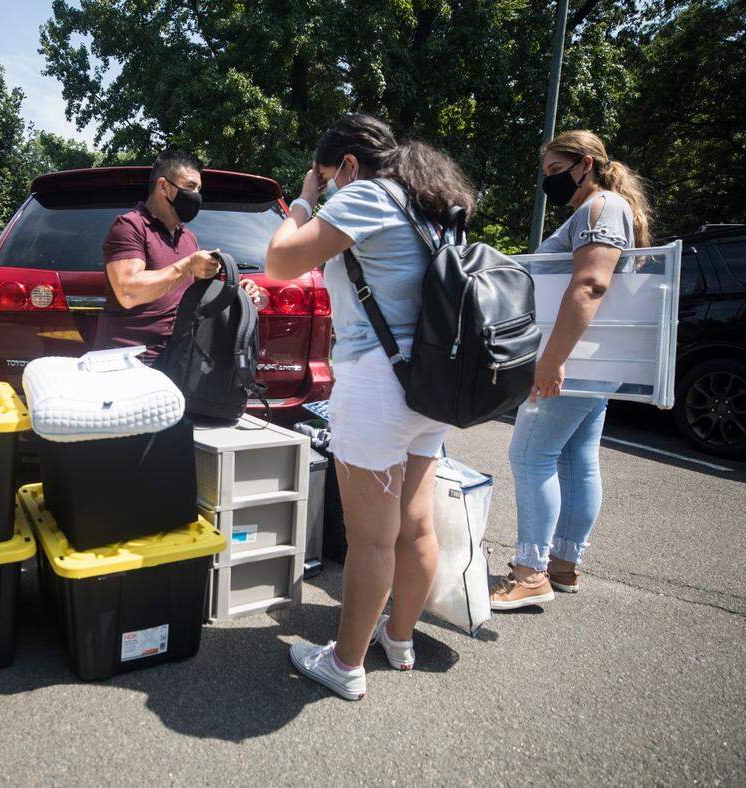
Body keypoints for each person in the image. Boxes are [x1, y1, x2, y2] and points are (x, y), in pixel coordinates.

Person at [264, 113, 477, 700]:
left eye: (328, 174)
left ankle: (345, 663)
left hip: (379, 383)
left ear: (349, 166)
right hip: (431, 382)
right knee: (414, 524)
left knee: (372, 538)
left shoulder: (367, 197)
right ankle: (400, 638)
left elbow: (280, 263)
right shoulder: (427, 204)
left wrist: (304, 202)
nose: (327, 184)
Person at [490, 130, 652, 610]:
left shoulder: (600, 209)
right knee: (576, 459)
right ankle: (562, 563)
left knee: (530, 456)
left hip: (572, 360)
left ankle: (530, 572)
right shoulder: (608, 209)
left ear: (586, 164)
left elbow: (589, 286)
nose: (550, 182)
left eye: (556, 172)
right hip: (591, 359)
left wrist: (551, 361)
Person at [95, 148, 258, 362]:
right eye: (190, 187)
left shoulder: (188, 237)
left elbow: (201, 292)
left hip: (178, 358)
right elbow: (128, 292)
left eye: (199, 189)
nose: (196, 195)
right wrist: (186, 266)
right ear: (163, 186)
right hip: (129, 360)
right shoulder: (129, 226)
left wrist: (238, 290)